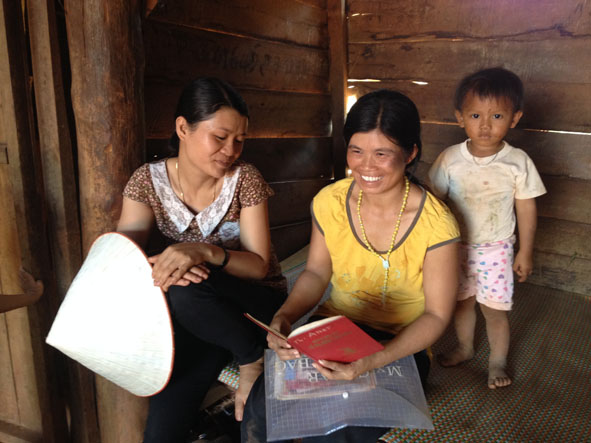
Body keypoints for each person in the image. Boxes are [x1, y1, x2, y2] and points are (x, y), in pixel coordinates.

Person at [242, 89, 461, 442]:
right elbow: (316, 273)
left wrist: (370, 362)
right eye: (356, 150)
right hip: (334, 329)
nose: (366, 166)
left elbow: (436, 316)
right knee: (261, 410)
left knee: (337, 431)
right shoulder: (330, 202)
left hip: (398, 344)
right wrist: (284, 318)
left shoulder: (436, 225)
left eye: (382, 153)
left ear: (410, 153)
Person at [116, 77, 287, 442]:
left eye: (239, 140)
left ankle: (252, 356)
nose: (231, 150)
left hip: (254, 305)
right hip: (196, 316)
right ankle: (242, 350)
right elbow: (123, 260)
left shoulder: (244, 179)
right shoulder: (147, 182)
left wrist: (204, 252)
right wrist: (165, 267)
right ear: (183, 128)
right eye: (220, 137)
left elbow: (259, 266)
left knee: (187, 289)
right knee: (162, 430)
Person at [428, 67, 547, 389]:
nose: (484, 125)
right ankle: (465, 348)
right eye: (475, 115)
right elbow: (433, 203)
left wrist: (525, 251)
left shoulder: (517, 162)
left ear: (514, 118)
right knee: (462, 303)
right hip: (455, 247)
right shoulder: (450, 159)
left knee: (494, 310)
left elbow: (526, 208)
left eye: (496, 115)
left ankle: (497, 362)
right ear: (460, 118)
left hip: (496, 250)